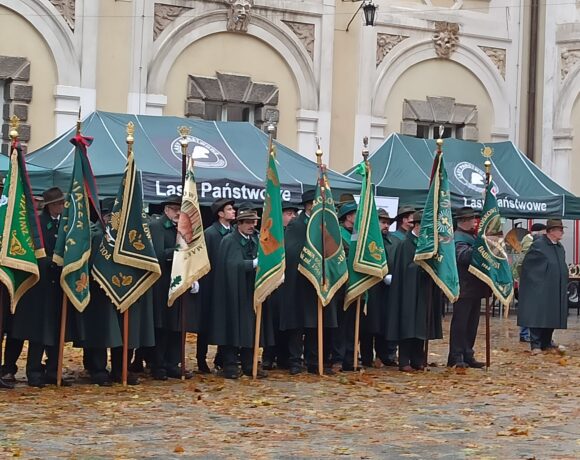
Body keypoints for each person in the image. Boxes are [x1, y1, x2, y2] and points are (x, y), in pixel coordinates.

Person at [10, 187, 74, 387]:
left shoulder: (65, 224)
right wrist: (48, 262)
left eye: (62, 203)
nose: (61, 207)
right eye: (58, 204)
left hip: (58, 285)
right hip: (39, 285)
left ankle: (53, 370)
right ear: (49, 206)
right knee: (38, 331)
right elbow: (29, 252)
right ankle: (34, 372)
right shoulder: (36, 224)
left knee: (56, 330)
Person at [279, 190, 338, 375]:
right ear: (307, 206)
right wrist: (310, 258)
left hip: (317, 283)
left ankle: (314, 361)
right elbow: (291, 249)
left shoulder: (324, 224)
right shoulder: (297, 224)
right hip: (298, 282)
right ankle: (295, 361)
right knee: (297, 325)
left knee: (315, 323)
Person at [207, 209, 266, 379]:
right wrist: (252, 264)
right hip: (231, 293)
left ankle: (249, 363)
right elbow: (231, 265)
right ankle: (230, 364)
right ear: (238, 224)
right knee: (231, 327)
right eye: (247, 222)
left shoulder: (255, 239)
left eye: (253, 222)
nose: (251, 225)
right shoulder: (229, 240)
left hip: (250, 292)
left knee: (249, 328)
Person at [386, 211, 444, 372]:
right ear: (416, 226)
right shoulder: (406, 244)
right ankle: (404, 360)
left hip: (424, 291)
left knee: (421, 326)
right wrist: (422, 267)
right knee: (407, 326)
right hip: (408, 292)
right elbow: (405, 269)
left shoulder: (427, 244)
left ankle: (418, 359)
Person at [149, 194, 193, 380]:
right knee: (162, 325)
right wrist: (178, 251)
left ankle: (173, 363)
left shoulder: (182, 228)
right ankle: (157, 364)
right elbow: (157, 254)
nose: (177, 213)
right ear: (166, 210)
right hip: (162, 282)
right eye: (174, 209)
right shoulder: (157, 227)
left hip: (179, 281)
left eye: (179, 210)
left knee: (177, 325)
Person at [196, 198, 236, 373]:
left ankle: (222, 358)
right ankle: (201, 359)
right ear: (220, 213)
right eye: (229, 209)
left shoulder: (234, 232)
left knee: (225, 322)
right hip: (210, 285)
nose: (233, 211)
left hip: (228, 285)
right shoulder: (210, 233)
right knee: (205, 324)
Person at [517, 219, 568, 354]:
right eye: (559, 229)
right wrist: (539, 281)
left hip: (554, 288)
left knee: (552, 315)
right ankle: (536, 344)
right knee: (537, 316)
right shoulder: (538, 245)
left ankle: (546, 342)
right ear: (551, 231)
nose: (562, 232)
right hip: (540, 288)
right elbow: (530, 266)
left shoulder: (559, 247)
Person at [447, 207, 489, 369]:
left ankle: (467, 353)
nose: (475, 222)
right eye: (472, 219)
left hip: (475, 287)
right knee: (461, 323)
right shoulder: (457, 237)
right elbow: (463, 257)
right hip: (463, 287)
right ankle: (456, 355)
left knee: (472, 324)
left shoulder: (472, 236)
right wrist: (480, 246)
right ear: (464, 221)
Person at [261, 202, 300, 370]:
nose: (293, 217)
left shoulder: (297, 233)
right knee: (272, 322)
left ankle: (288, 357)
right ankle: (269, 356)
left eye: (294, 214)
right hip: (273, 286)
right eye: (289, 213)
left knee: (290, 323)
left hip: (292, 285)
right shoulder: (270, 234)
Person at [361, 208, 400, 367]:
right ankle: (366, 357)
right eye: (383, 222)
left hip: (388, 289)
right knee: (368, 325)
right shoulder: (366, 240)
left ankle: (384, 356)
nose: (386, 226)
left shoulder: (395, 241)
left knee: (385, 323)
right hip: (370, 288)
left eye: (388, 223)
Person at [333, 201, 358, 371]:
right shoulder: (339, 235)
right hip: (342, 285)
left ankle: (351, 358)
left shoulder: (357, 234)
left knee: (353, 326)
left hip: (356, 284)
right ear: (349, 217)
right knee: (341, 326)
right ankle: (338, 358)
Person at [514, 223, 547, 343]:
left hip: (529, 280)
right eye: (544, 231)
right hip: (529, 281)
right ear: (538, 232)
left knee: (529, 308)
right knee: (528, 308)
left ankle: (526, 334)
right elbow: (521, 262)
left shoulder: (531, 241)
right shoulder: (531, 241)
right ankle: (524, 334)